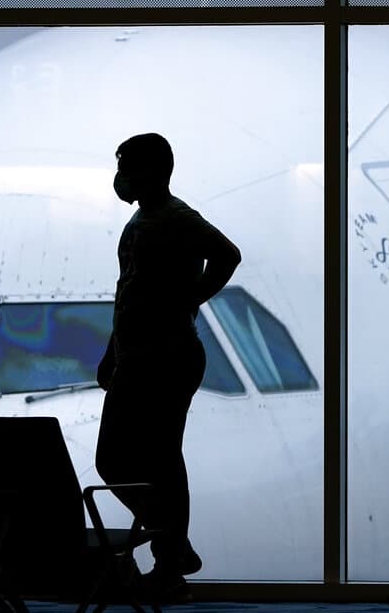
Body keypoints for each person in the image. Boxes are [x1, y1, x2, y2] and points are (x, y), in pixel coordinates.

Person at [95, 132, 241, 603]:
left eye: (128, 167)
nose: (120, 178)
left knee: (151, 461)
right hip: (139, 357)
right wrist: (113, 351)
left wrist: (189, 300)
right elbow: (129, 293)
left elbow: (228, 255)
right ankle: (173, 548)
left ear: (155, 171)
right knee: (125, 461)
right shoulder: (142, 220)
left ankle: (170, 556)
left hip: (167, 358)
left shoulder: (177, 218)